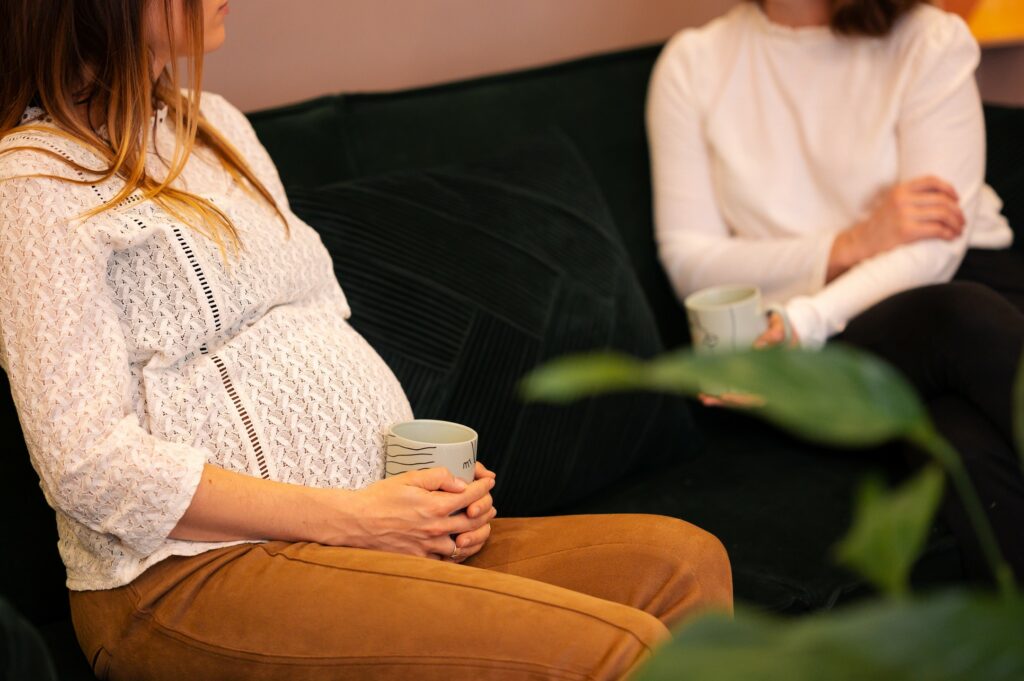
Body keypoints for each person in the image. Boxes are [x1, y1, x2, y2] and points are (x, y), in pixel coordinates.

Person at [0, 1, 733, 679]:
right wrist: (356, 517)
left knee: (686, 566)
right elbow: (88, 465)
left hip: (358, 533)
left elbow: (318, 324)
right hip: (183, 576)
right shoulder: (31, 183)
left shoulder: (216, 126)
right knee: (619, 651)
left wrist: (430, 498)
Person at [648, 0, 1024, 581]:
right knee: (955, 403)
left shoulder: (930, 40)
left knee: (959, 441)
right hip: (838, 332)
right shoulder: (692, 65)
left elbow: (936, 247)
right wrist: (851, 244)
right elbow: (691, 264)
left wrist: (807, 321)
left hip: (965, 289)